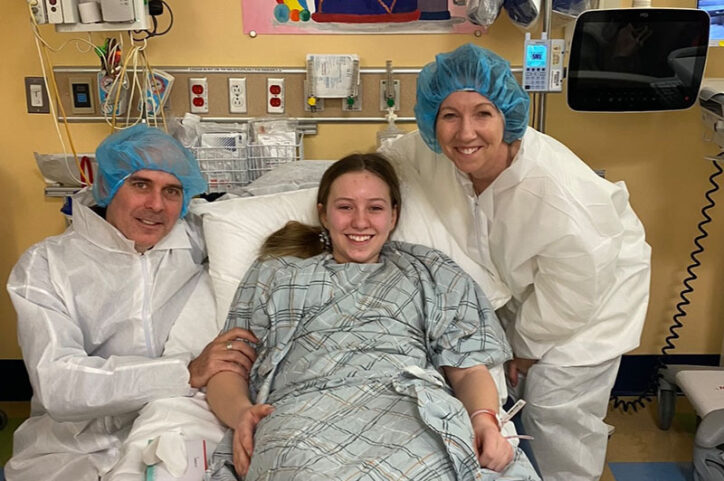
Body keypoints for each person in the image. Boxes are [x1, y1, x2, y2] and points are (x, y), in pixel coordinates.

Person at [380, 43, 651, 481]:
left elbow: (574, 287)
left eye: (483, 114)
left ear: (507, 116)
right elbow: (381, 166)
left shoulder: (553, 190)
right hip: (526, 285)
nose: (465, 133)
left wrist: (522, 351)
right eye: (450, 115)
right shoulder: (427, 154)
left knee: (556, 406)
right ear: (433, 120)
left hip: (595, 290)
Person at [204, 153, 541, 481]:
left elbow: (467, 369)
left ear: (394, 215)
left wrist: (483, 420)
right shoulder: (276, 274)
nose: (360, 222)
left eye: (375, 208)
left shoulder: (429, 272)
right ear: (324, 213)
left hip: (412, 411)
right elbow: (228, 367)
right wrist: (242, 415)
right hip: (299, 415)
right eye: (345, 207)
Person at [5, 124, 257, 481]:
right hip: (72, 449)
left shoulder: (195, 243)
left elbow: (259, 206)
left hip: (172, 425)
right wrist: (184, 372)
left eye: (172, 191)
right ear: (108, 185)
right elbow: (58, 384)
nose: (156, 205)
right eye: (140, 185)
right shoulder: (47, 266)